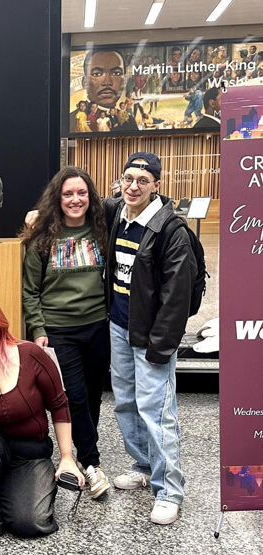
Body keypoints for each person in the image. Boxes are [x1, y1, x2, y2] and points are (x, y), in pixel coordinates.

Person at [105, 152, 194, 525]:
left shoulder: (170, 230)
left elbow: (177, 296)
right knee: (126, 402)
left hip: (151, 335)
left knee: (157, 412)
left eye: (143, 180)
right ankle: (143, 465)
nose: (133, 186)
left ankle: (169, 490)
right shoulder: (119, 216)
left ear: (157, 184)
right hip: (120, 327)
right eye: (128, 178)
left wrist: (162, 345)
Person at [0, 295, 84, 537]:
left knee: (30, 524)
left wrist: (67, 458)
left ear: (1, 326)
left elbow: (59, 405)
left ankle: (12, 488)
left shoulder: (31, 355)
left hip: (30, 455)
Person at [21, 166, 111, 501]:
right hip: (60, 330)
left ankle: (86, 449)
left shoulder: (103, 231)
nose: (75, 199)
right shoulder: (42, 239)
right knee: (73, 396)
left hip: (98, 326)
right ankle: (91, 461)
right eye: (68, 194)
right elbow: (29, 290)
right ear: (58, 199)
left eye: (81, 193)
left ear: (90, 197)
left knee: (92, 395)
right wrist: (38, 328)